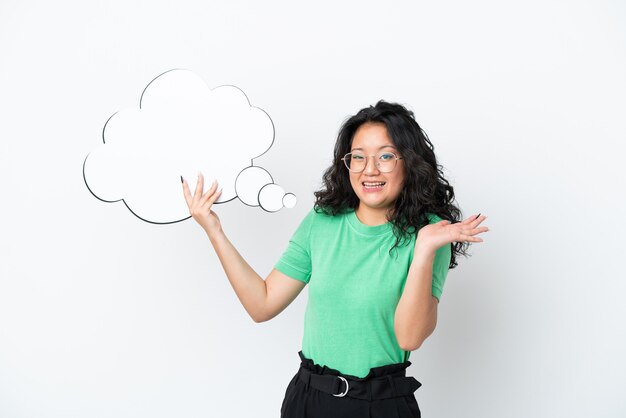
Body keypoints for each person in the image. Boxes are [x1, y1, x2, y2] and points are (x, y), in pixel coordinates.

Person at [182, 100, 489, 418]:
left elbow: (410, 337)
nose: (370, 169)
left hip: (378, 404)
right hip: (307, 399)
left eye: (385, 156)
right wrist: (214, 230)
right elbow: (262, 304)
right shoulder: (322, 221)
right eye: (358, 157)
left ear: (408, 163)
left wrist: (424, 252)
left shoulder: (430, 234)